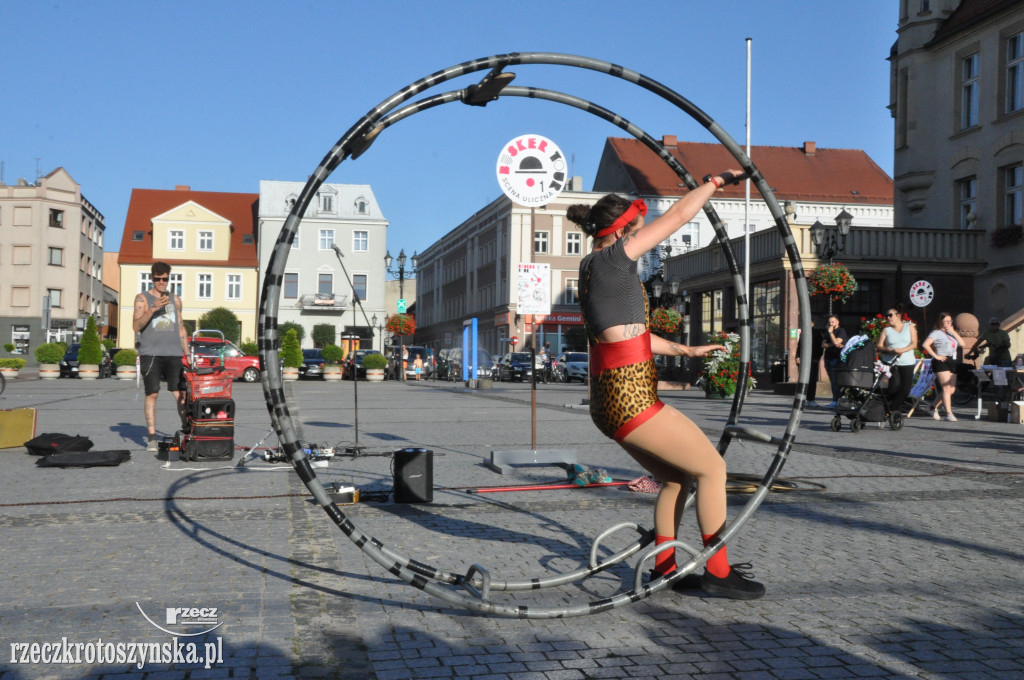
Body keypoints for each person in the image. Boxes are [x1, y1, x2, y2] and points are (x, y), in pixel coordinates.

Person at [568, 170, 765, 600]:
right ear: (624, 231)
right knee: (713, 468)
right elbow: (678, 214)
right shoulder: (615, 259)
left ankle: (665, 569)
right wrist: (716, 181)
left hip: (608, 401)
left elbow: (627, 334)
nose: (643, 241)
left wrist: (685, 351)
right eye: (639, 231)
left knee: (678, 479)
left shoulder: (590, 268)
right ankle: (718, 571)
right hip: (631, 397)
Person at [133, 262, 189, 452]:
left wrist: (187, 352)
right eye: (157, 279)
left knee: (180, 393)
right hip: (151, 353)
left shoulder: (176, 299)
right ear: (152, 279)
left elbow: (181, 326)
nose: (161, 282)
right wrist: (152, 309)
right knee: (152, 394)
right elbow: (136, 326)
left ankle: (187, 430)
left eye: (165, 278)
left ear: (168, 278)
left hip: (174, 353)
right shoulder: (142, 298)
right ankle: (152, 438)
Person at [922, 312, 965, 422]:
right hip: (941, 360)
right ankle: (948, 413)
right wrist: (936, 356)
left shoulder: (951, 333)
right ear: (940, 321)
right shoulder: (936, 333)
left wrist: (954, 333)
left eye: (950, 321)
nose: (948, 323)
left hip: (952, 360)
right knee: (946, 388)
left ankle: (931, 407)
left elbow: (963, 344)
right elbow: (925, 344)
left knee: (951, 390)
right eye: (946, 321)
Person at [876, 304, 918, 415]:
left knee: (905, 389)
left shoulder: (909, 327)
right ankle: (889, 410)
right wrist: (889, 349)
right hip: (891, 362)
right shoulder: (886, 330)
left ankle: (888, 409)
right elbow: (879, 346)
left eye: (890, 315)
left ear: (898, 315)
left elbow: (914, 344)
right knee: (893, 387)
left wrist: (902, 350)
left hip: (907, 362)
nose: (888, 318)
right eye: (887, 316)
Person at [822, 315, 848, 409]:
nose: (831, 324)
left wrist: (831, 333)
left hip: (836, 358)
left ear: (838, 321)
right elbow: (823, 344)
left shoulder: (841, 331)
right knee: (832, 380)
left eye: (833, 322)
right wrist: (832, 344)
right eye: (829, 322)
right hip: (828, 357)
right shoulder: (827, 332)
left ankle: (837, 400)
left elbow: (837, 343)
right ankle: (835, 400)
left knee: (836, 380)